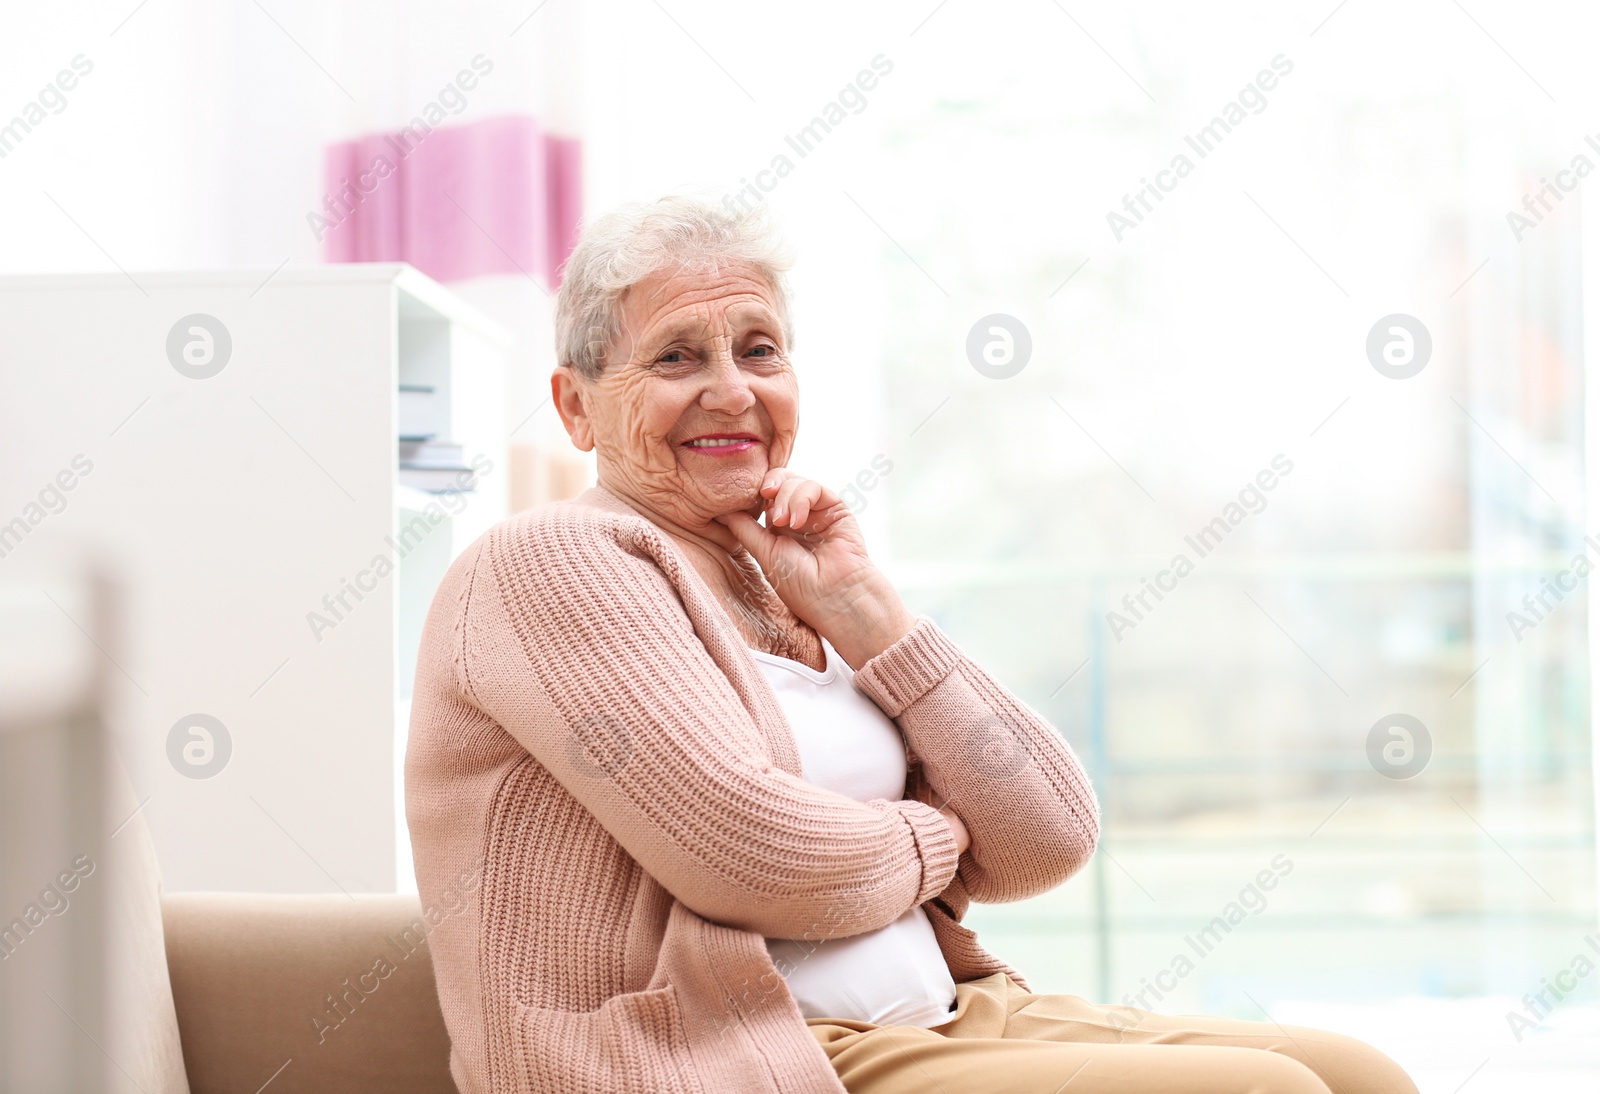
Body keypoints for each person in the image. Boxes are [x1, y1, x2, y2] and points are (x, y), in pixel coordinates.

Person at [405, 195, 1418, 1093]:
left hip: (937, 1017)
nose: (731, 389)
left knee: (1357, 1075)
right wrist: (940, 837)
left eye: (758, 348)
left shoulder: (783, 566)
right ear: (576, 405)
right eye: (677, 355)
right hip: (740, 1052)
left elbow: (1048, 832)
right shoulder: (552, 560)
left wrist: (866, 614)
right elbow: (752, 853)